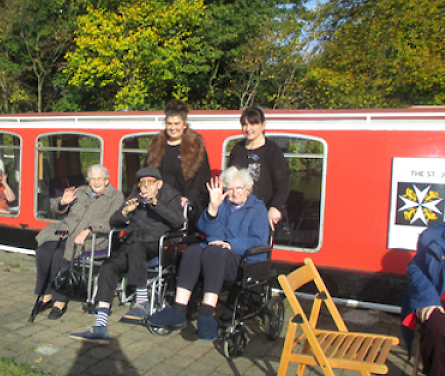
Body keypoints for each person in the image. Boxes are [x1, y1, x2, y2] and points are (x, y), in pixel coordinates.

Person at [146, 167, 271, 340]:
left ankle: (207, 312)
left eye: (239, 189)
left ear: (248, 189)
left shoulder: (258, 209)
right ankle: (179, 309)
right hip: (216, 255)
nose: (235, 193)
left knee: (213, 251)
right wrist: (213, 207)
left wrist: (229, 244)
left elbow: (258, 240)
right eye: (230, 189)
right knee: (192, 251)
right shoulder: (223, 205)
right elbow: (206, 229)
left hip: (245, 260)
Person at [70, 167, 185, 344]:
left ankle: (141, 301)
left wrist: (156, 204)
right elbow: (114, 222)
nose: (145, 187)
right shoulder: (135, 195)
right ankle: (100, 326)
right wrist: (124, 212)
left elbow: (178, 222)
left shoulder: (170, 196)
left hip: (155, 244)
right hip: (132, 243)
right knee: (109, 266)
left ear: (159, 184)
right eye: (142, 183)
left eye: (150, 182)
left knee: (136, 246)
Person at [31, 164, 124, 320]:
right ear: (88, 181)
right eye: (93, 179)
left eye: (99, 179)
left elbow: (113, 221)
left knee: (60, 256)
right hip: (65, 231)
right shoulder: (81, 191)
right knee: (43, 252)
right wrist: (63, 202)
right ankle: (46, 294)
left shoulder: (116, 196)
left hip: (91, 238)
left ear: (107, 180)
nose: (96, 182)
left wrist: (89, 230)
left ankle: (59, 301)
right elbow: (54, 208)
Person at [226, 107, 290, 230]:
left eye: (253, 123)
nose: (248, 128)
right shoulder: (237, 149)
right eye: (244, 124)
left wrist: (275, 207)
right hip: (238, 212)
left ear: (263, 125)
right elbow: (230, 180)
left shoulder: (273, 150)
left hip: (262, 213)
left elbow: (283, 184)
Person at [145, 100, 212, 217]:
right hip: (158, 203)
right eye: (169, 124)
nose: (173, 128)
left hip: (184, 205)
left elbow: (202, 180)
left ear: (184, 124)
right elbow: (146, 173)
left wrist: (188, 199)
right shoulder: (156, 146)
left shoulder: (196, 147)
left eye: (177, 123)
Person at [400, 222, 445, 376]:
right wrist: (428, 299)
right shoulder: (432, 235)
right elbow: (416, 269)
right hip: (438, 295)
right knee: (436, 326)